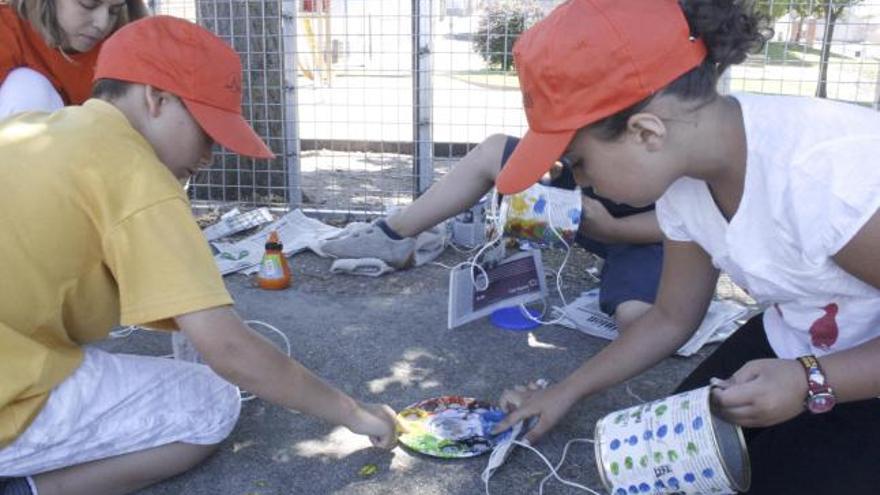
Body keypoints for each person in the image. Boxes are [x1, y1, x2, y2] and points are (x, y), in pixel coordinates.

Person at [490, 0, 880, 493]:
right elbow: (672, 316)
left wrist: (812, 381)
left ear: (646, 132)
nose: (581, 182)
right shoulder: (684, 183)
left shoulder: (824, 178)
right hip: (802, 343)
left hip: (844, 368)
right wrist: (568, 391)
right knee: (660, 466)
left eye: (579, 162)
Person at [0, 16, 397, 495]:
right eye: (207, 131)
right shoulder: (140, 174)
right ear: (156, 98)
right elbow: (228, 350)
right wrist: (353, 413)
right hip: (11, 394)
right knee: (211, 402)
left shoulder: (34, 126)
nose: (209, 156)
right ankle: (30, 488)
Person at [320, 133, 665, 328]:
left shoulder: (683, 139)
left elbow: (689, 229)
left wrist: (616, 229)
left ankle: (623, 273)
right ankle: (392, 236)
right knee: (498, 150)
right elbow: (556, 154)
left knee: (639, 324)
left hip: (651, 237)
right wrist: (549, 170)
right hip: (597, 210)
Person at [0, 0, 148, 118]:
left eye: (114, 11)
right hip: (18, 149)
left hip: (97, 150)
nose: (102, 24)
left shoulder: (122, 41)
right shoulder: (8, 27)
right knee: (26, 84)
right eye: (89, 4)